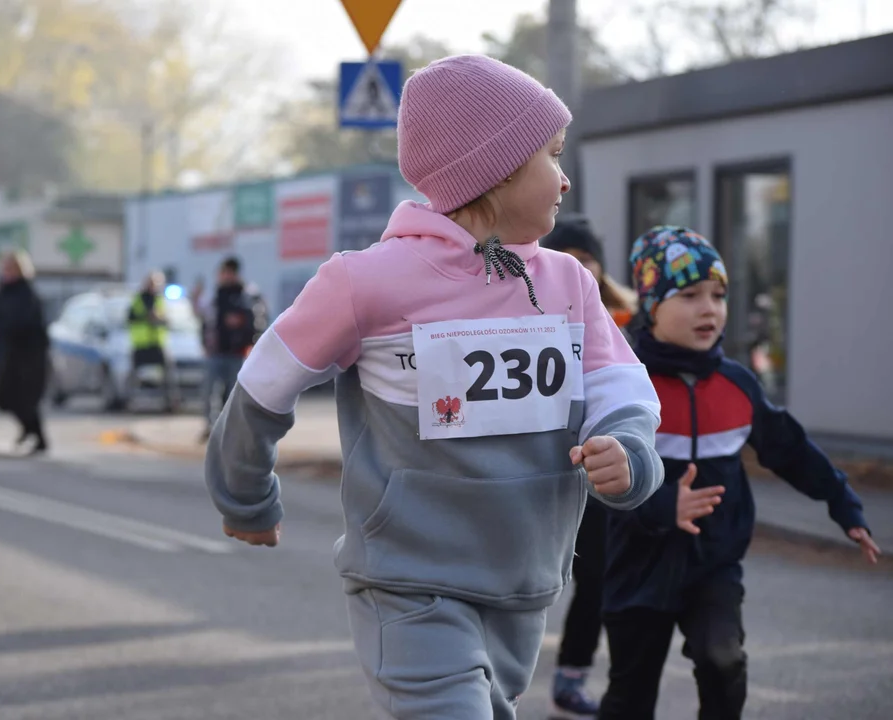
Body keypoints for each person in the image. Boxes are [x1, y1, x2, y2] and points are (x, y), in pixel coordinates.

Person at [204, 55, 664, 719]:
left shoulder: (567, 282)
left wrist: (628, 451)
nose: (564, 181)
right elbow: (262, 386)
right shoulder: (365, 281)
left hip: (523, 581)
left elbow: (620, 387)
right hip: (408, 581)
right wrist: (245, 497)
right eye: (551, 156)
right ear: (495, 170)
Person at [598, 226, 881, 720]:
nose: (709, 308)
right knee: (630, 696)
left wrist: (844, 505)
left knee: (723, 661)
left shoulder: (737, 386)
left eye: (719, 295)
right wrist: (664, 503)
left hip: (713, 564)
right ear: (651, 305)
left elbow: (791, 450)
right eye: (689, 295)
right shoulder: (625, 381)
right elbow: (596, 475)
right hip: (636, 566)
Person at [539, 214, 639, 718]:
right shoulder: (524, 309)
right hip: (541, 473)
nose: (581, 269)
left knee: (596, 577)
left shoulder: (628, 322)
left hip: (599, 473)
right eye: (570, 259)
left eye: (589, 260)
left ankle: (571, 676)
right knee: (530, 576)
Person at [0, 250, 50, 454]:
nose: (6, 272)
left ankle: (39, 438)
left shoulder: (27, 294)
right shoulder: (4, 292)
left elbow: (23, 322)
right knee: (5, 396)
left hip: (30, 355)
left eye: (10, 268)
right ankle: (28, 430)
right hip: (11, 355)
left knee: (26, 399)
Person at [193, 256, 268, 440]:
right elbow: (203, 318)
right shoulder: (215, 296)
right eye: (222, 273)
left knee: (232, 394)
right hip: (215, 352)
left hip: (237, 353)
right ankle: (211, 426)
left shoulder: (246, 295)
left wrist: (250, 341)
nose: (224, 276)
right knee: (209, 392)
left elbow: (258, 320)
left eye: (228, 272)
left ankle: (228, 428)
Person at [127, 271, 173, 408]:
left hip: (157, 343)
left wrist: (158, 318)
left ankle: (170, 401)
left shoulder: (160, 300)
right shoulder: (138, 299)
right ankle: (130, 401)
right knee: (134, 376)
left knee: (168, 374)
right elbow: (130, 318)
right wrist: (147, 317)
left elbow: (165, 319)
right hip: (141, 344)